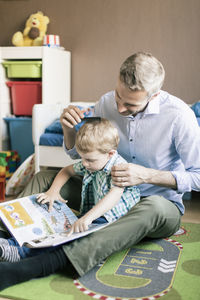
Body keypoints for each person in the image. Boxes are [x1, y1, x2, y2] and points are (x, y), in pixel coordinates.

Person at [0, 51, 200, 291]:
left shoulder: (180, 117)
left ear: (154, 95)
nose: (119, 107)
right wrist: (69, 130)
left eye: (130, 104)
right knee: (44, 178)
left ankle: (45, 263)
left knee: (153, 206)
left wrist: (146, 175)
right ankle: (8, 237)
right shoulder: (105, 103)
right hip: (104, 193)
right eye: (118, 96)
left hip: (157, 206)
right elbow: (82, 156)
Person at [0, 119, 140, 263]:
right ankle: (12, 242)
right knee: (58, 227)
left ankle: (22, 253)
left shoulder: (120, 167)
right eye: (82, 158)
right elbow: (67, 170)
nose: (84, 164)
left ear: (110, 154)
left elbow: (114, 195)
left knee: (71, 237)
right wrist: (53, 191)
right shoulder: (93, 161)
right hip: (96, 213)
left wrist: (87, 218)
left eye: (89, 160)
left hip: (113, 218)